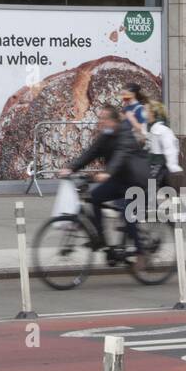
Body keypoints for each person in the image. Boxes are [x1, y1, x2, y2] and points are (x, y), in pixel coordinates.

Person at [58, 105, 149, 262]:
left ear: (114, 121)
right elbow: (90, 153)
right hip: (118, 180)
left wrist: (107, 173)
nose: (101, 121)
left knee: (127, 213)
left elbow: (121, 155)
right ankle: (101, 240)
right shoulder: (105, 136)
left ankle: (141, 252)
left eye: (104, 118)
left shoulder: (125, 134)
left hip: (135, 182)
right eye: (100, 118)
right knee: (93, 198)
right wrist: (70, 168)